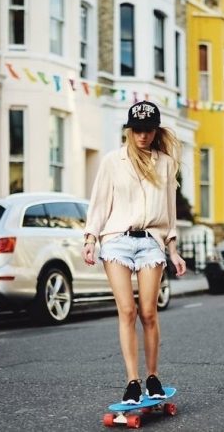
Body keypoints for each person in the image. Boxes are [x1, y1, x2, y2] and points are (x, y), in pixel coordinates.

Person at [82, 100, 187, 405]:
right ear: (129, 130)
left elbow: (169, 211)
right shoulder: (112, 161)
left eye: (148, 130)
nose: (142, 135)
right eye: (137, 129)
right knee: (127, 311)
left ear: (156, 131)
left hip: (151, 241)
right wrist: (90, 238)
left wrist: (174, 250)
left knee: (149, 312)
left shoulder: (165, 163)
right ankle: (132, 382)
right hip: (116, 241)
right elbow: (99, 202)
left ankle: (153, 377)